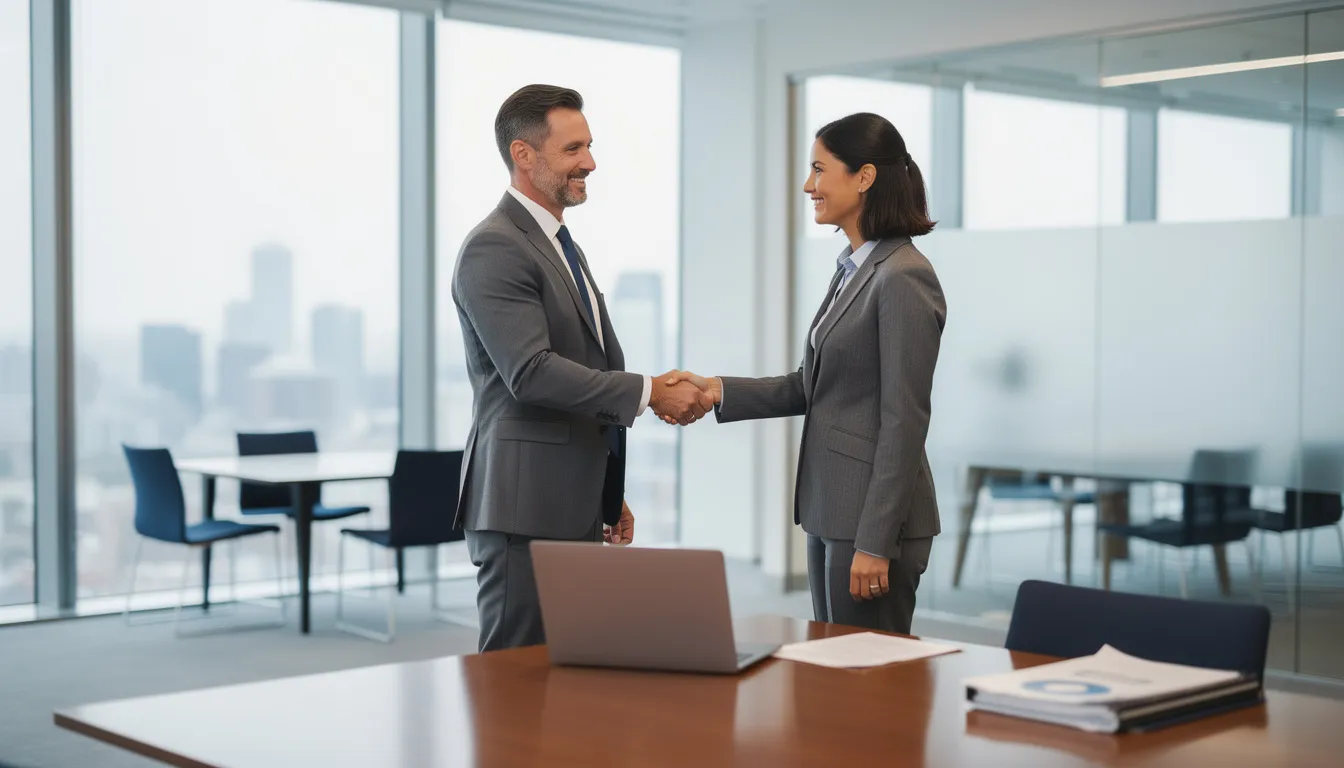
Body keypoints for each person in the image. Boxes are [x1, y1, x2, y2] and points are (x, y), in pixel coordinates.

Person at [451, 84, 712, 652]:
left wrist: (603, 488)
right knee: (513, 683)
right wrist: (649, 392)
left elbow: (586, 367)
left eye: (589, 146)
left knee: (568, 676)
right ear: (524, 155)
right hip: (523, 508)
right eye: (572, 150)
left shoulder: (560, 244)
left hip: (568, 500)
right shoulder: (494, 247)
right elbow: (533, 372)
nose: (589, 163)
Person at [671, 112, 945, 634]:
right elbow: (810, 385)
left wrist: (874, 539)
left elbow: (904, 420)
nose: (808, 185)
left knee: (868, 681)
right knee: (834, 670)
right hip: (832, 508)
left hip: (870, 519)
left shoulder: (904, 277)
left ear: (864, 177)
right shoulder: (856, 267)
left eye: (819, 170)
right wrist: (716, 390)